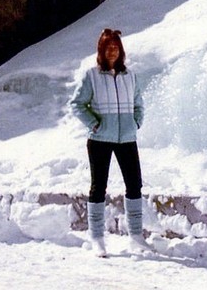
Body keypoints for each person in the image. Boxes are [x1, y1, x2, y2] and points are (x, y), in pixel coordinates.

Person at [69, 28, 147, 257]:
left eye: (116, 47)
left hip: (127, 138)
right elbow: (77, 104)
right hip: (100, 139)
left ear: (120, 50)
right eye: (108, 47)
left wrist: (136, 123)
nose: (112, 51)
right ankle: (97, 238)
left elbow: (138, 104)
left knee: (134, 185)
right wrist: (95, 125)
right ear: (101, 51)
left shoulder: (130, 76)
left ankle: (136, 236)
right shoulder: (91, 75)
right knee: (98, 188)